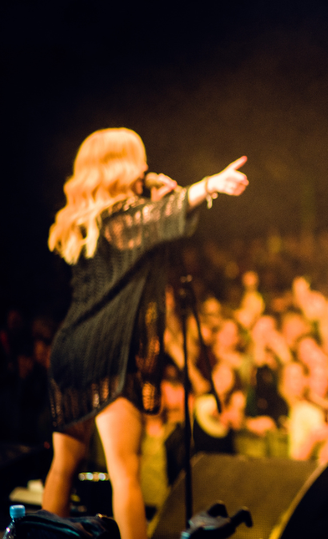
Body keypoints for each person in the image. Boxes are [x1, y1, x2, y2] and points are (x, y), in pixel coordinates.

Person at [43, 127, 249, 539]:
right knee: (125, 473)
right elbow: (152, 220)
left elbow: (154, 223)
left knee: (64, 467)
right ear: (121, 164)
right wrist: (208, 185)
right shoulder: (122, 220)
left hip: (71, 348)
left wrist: (164, 198)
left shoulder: (87, 221)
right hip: (110, 351)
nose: (146, 165)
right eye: (139, 157)